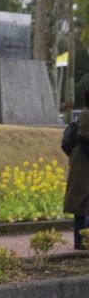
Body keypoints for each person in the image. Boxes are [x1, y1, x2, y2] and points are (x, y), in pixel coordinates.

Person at [64, 92, 89, 250]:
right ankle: (81, 240)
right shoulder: (87, 117)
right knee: (81, 204)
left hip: (81, 164)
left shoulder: (83, 115)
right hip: (84, 165)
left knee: (81, 204)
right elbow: (86, 140)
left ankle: (81, 240)